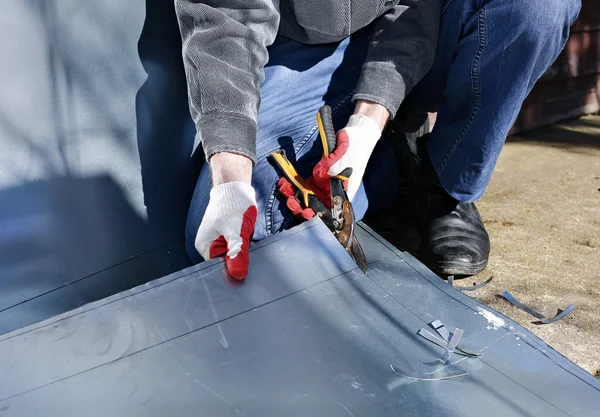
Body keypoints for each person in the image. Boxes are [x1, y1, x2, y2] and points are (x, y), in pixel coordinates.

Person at [176, 0, 581, 280]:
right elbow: (227, 22)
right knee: (246, 233)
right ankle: (394, 158)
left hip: (430, 32)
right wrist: (230, 180)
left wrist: (368, 121)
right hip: (311, 51)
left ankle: (445, 186)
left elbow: (413, 7)